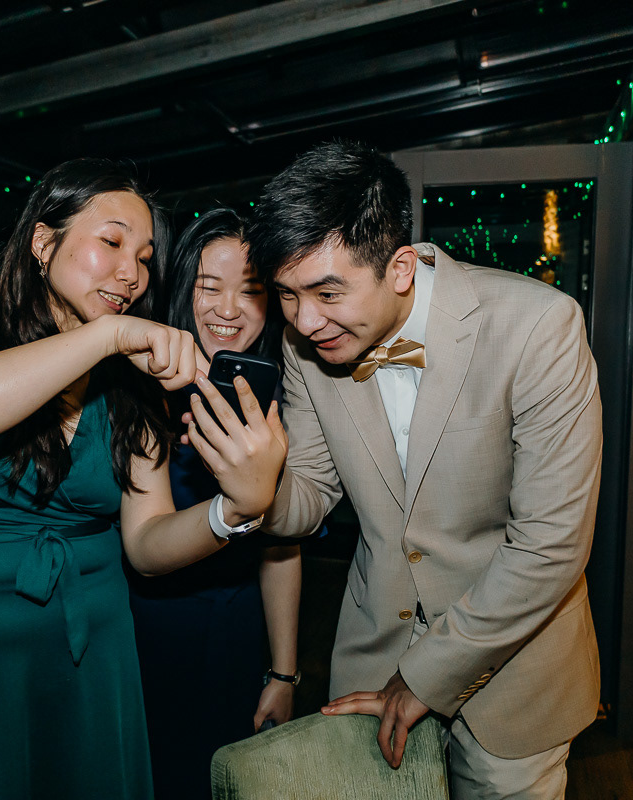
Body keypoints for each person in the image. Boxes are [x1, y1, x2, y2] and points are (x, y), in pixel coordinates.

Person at [0, 159, 286, 800]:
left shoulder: (131, 386)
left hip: (94, 645)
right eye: (112, 243)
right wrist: (107, 336)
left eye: (146, 256)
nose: (132, 272)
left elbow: (147, 544)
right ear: (44, 243)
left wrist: (236, 510)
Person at [245, 141, 602, 800]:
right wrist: (253, 490)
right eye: (286, 295)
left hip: (518, 677)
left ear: (401, 267)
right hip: (372, 660)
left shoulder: (538, 327)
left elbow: (552, 544)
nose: (303, 320)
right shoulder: (305, 345)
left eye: (327, 292)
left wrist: (427, 676)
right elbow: (312, 497)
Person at [127, 208, 301, 800]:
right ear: (183, 290)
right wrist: (236, 506)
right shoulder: (141, 389)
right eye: (209, 287)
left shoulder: (283, 395)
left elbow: (282, 546)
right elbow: (144, 547)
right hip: (146, 628)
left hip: (238, 626)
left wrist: (283, 671)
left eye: (250, 291)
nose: (228, 310)